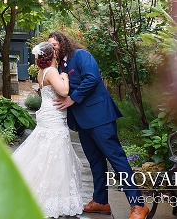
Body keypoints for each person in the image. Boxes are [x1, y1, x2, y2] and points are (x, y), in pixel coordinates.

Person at [49, 31, 150, 219]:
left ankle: (138, 205)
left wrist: (72, 98)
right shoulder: (61, 65)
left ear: (63, 43)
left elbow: (92, 78)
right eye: (50, 46)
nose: (52, 48)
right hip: (82, 121)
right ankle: (101, 201)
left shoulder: (80, 55)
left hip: (100, 117)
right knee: (95, 162)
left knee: (117, 159)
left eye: (54, 45)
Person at [12, 41, 84, 218]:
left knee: (43, 151)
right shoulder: (52, 72)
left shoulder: (41, 72)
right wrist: (65, 78)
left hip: (46, 112)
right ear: (52, 56)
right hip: (54, 115)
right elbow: (64, 92)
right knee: (54, 152)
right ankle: (49, 198)